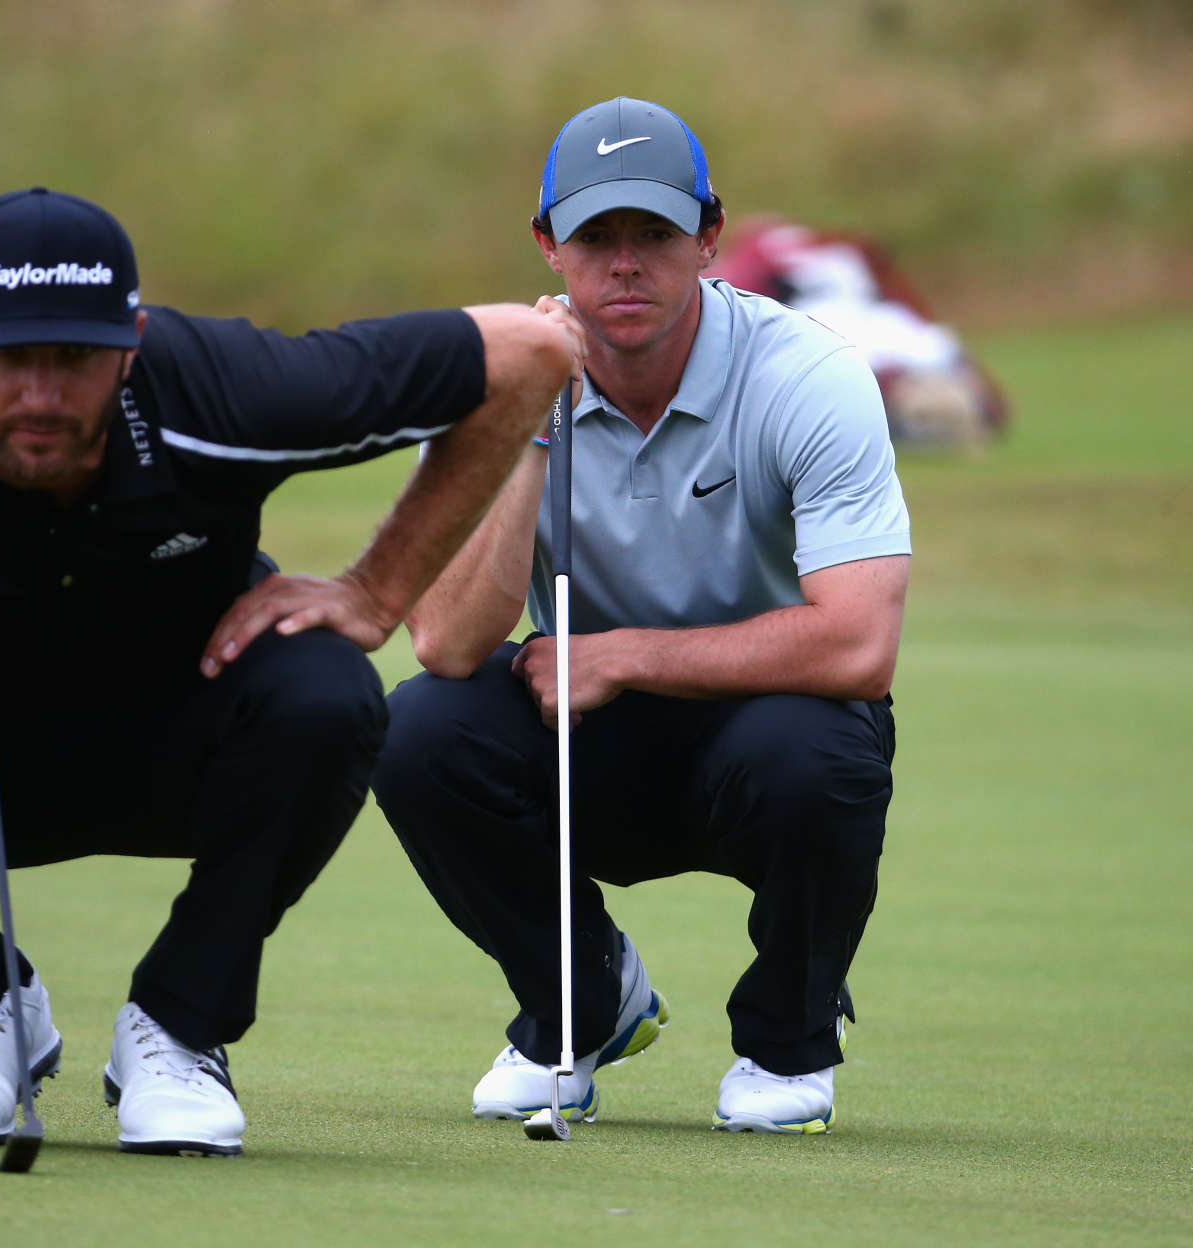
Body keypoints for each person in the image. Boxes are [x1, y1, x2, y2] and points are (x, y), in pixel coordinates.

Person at [0, 187, 581, 1157]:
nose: (41, 395)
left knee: (327, 690)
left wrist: (377, 592)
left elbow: (531, 354)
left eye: (75, 359)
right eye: (9, 361)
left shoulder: (220, 389)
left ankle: (177, 1031)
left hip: (176, 752)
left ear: (130, 342)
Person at [371, 99, 910, 1134]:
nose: (626, 264)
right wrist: (526, 420)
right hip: (582, 738)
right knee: (417, 731)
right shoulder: (493, 384)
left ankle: (787, 1044)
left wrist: (626, 655)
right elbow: (445, 641)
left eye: (655, 236)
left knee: (824, 751)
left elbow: (859, 644)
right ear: (548, 247)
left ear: (709, 240)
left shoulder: (808, 375)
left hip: (766, 731)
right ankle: (579, 1005)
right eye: (597, 238)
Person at [706, 216, 1011, 448]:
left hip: (828, 327)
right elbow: (895, 284)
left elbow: (726, 294)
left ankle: (900, 417)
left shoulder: (758, 250)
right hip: (882, 322)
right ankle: (929, 412)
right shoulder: (842, 247)